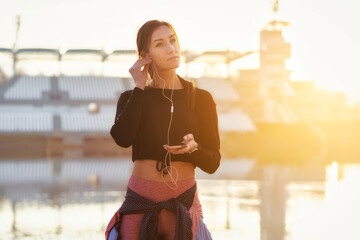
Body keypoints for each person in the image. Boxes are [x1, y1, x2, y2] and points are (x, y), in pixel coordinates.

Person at [105, 20, 221, 240]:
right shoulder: (132, 98)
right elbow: (122, 138)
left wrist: (193, 149)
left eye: (172, 40)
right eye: (159, 44)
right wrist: (139, 86)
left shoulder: (201, 99)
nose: (171, 48)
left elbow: (213, 162)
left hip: (183, 203)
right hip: (140, 202)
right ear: (144, 55)